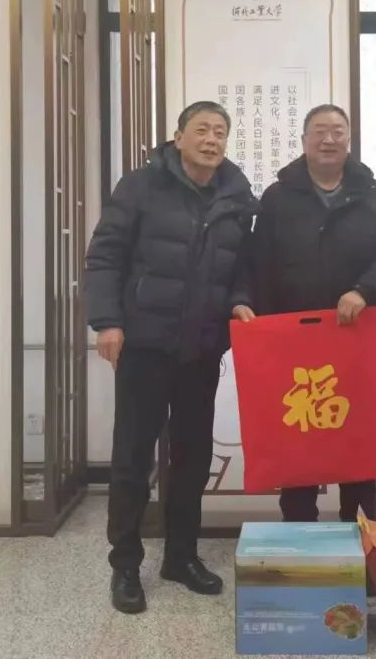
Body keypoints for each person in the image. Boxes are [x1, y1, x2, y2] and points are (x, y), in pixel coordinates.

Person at [85, 101, 257, 615]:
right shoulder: (141, 186)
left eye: (220, 132)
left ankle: (181, 557)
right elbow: (106, 254)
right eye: (201, 130)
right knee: (133, 458)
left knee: (192, 457)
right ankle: (125, 566)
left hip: (201, 348)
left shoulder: (236, 196)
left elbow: (243, 266)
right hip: (144, 343)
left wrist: (240, 300)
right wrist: (108, 321)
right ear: (178, 137)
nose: (211, 139)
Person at [252, 103, 376, 526]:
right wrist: (256, 319)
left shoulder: (374, 195)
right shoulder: (278, 198)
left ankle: (361, 544)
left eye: (338, 131)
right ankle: (299, 541)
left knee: (357, 449)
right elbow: (258, 264)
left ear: (349, 139)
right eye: (319, 131)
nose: (329, 139)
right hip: (294, 342)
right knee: (297, 445)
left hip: (355, 341)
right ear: (304, 140)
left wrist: (365, 290)